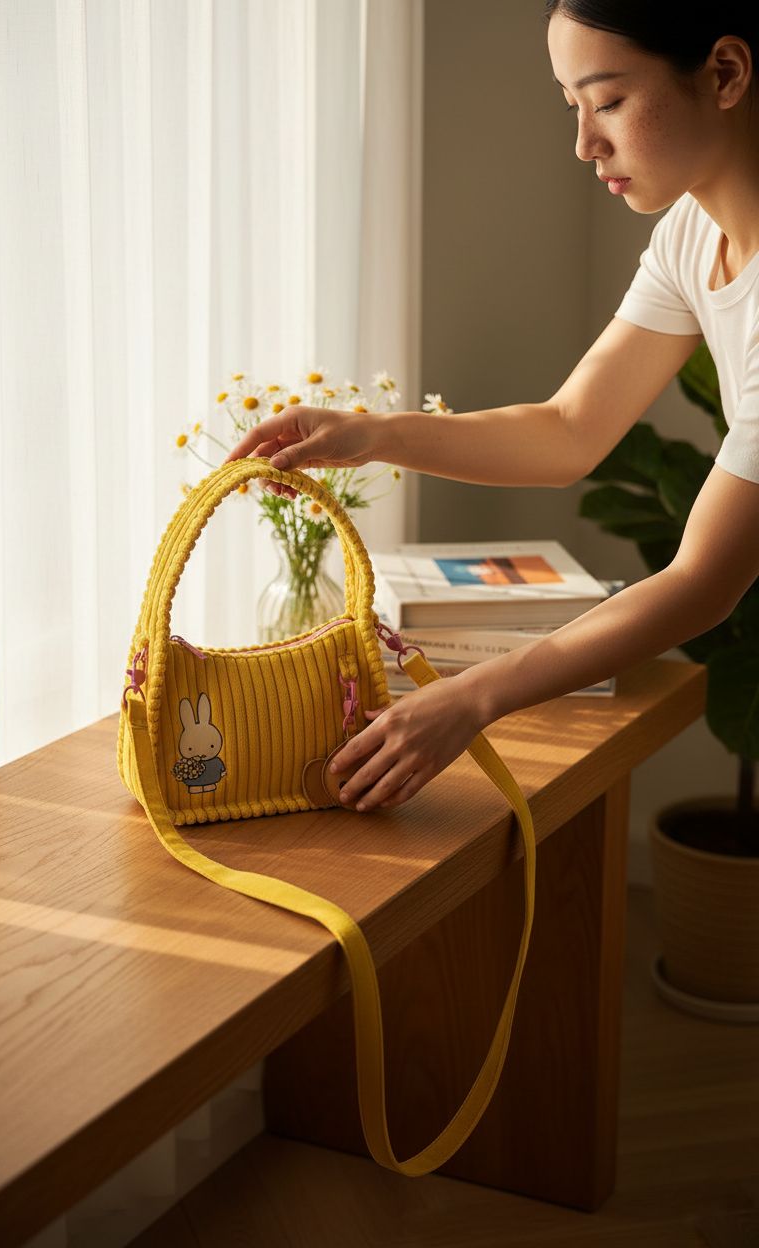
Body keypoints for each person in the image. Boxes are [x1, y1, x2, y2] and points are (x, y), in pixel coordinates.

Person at [225, 0, 759, 815]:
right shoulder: (694, 235)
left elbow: (702, 583)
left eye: (608, 101)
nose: (585, 145)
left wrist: (474, 698)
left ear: (723, 73)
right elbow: (569, 430)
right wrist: (369, 435)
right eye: (572, 108)